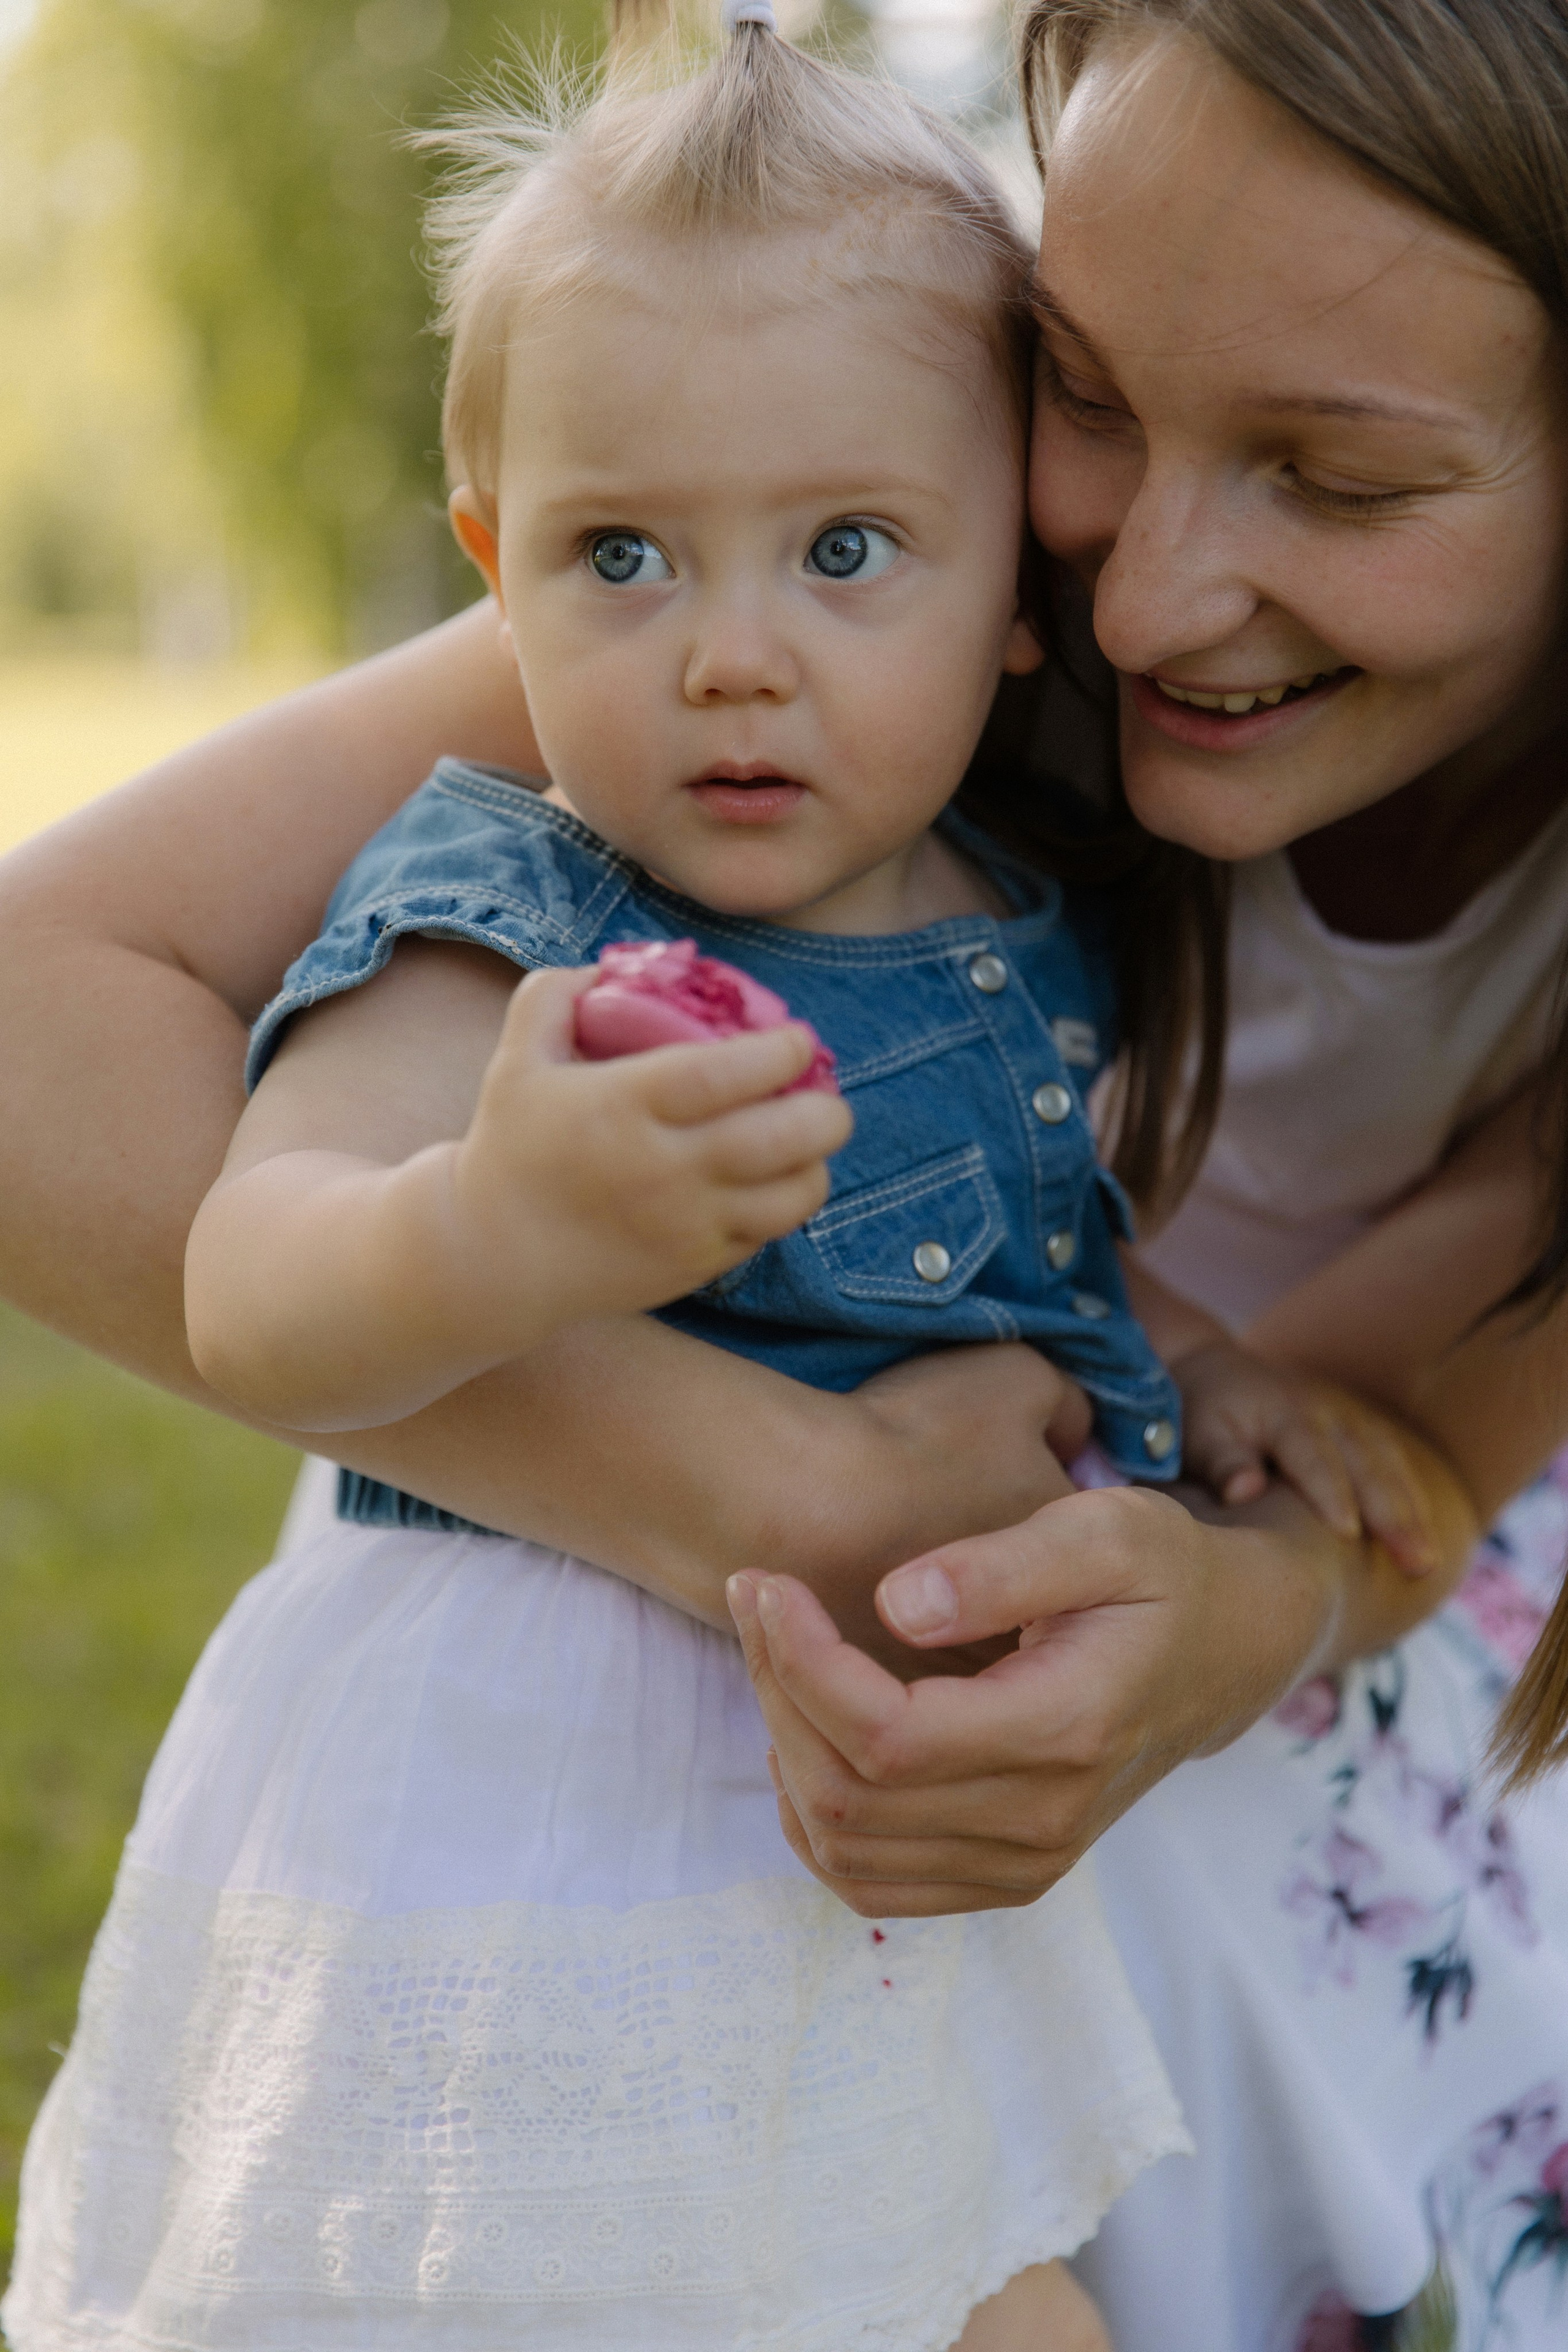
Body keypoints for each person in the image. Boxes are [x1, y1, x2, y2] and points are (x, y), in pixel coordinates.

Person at [2, 0, 1567, 2345]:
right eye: (1096, 394)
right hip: (637, 1624)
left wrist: (1221, 1578)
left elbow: (1407, 1446)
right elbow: (50, 1038)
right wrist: (801, 1491)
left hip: (1251, 1630)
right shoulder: (763, 611)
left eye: (1337, 480)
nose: (1136, 599)